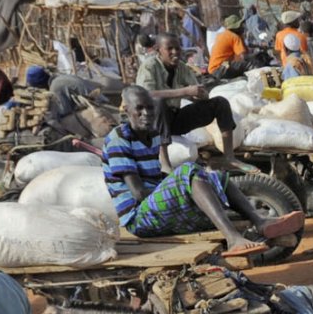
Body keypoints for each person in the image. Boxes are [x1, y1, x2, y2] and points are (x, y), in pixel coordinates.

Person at [105, 85, 298, 252]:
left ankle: (260, 221)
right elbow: (139, 193)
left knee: (217, 177)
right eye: (139, 109)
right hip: (139, 217)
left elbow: (158, 176)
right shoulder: (119, 139)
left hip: (154, 208)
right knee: (187, 171)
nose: (146, 113)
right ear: (127, 110)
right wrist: (178, 192)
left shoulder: (153, 134)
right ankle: (233, 239)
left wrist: (192, 188)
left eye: (149, 108)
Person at [137, 34, 243, 163]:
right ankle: (164, 161)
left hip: (174, 119)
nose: (175, 52)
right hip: (153, 123)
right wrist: (184, 91)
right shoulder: (149, 66)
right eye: (169, 49)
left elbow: (196, 88)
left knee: (220, 103)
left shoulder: (181, 67)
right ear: (158, 49)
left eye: (177, 48)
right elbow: (146, 94)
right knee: (158, 102)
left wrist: (200, 94)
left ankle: (229, 157)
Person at [207, 14, 248, 79]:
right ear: (236, 27)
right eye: (240, 25)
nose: (242, 27)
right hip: (220, 69)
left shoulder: (222, 35)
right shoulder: (234, 37)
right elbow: (243, 57)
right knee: (248, 63)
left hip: (213, 70)